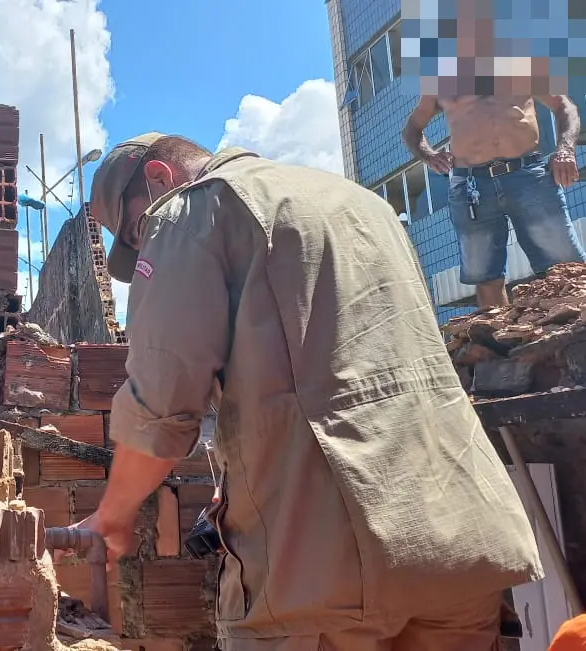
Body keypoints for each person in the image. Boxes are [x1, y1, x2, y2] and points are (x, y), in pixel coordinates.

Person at [80, 132, 543, 650]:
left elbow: (161, 404)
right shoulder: (363, 203)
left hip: (329, 572)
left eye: (135, 230)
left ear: (159, 178)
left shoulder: (194, 210)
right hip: (465, 542)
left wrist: (111, 518)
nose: (143, 243)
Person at [402, 98, 582, 308]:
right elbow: (412, 130)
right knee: (486, 279)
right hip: (472, 186)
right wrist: (430, 156)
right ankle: (502, 338)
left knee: (566, 267)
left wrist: (565, 150)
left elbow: (565, 106)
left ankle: (578, 335)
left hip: (528, 175)